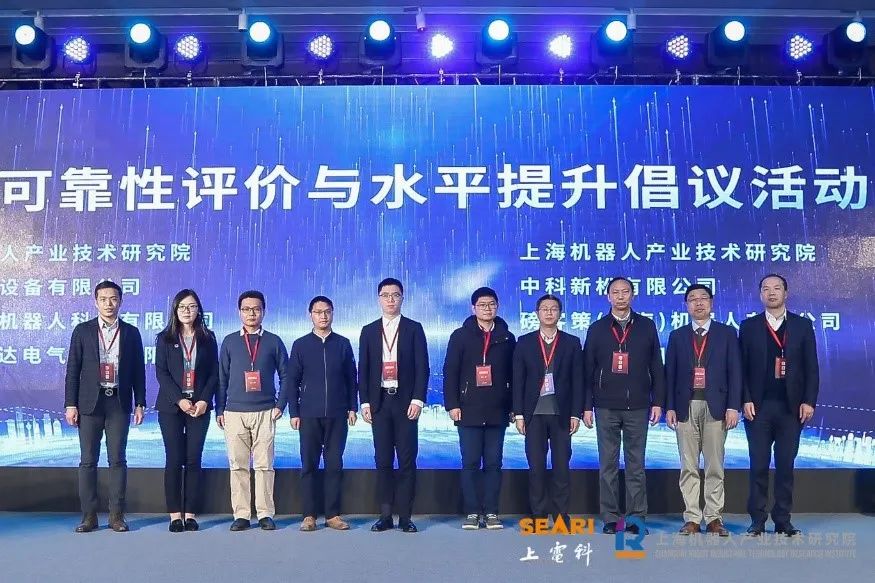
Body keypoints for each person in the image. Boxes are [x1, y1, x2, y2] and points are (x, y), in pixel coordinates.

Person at [583, 276, 664, 535]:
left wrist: (658, 401)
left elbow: (657, 366)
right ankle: (610, 517)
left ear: (632, 295)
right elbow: (587, 370)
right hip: (605, 406)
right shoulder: (597, 328)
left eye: (625, 292)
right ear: (608, 296)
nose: (620, 296)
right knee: (607, 464)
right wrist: (586, 406)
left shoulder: (646, 326)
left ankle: (636, 517)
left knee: (635, 465)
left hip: (638, 406)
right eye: (615, 292)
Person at [64, 280, 146, 533]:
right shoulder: (82, 331)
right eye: (103, 299)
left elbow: (139, 371)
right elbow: (73, 370)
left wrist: (140, 402)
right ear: (95, 302)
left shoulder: (131, 333)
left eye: (113, 299)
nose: (109, 304)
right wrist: (70, 404)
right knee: (88, 461)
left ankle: (116, 516)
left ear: (120, 301)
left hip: (119, 402)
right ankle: (88, 517)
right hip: (90, 403)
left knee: (117, 460)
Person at [741, 274, 819, 537]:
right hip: (758, 408)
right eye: (766, 289)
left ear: (786, 293)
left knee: (786, 465)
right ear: (760, 295)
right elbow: (741, 368)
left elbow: (811, 368)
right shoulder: (749, 326)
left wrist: (808, 401)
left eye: (777, 288)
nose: (771, 292)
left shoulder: (802, 325)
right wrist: (745, 399)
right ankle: (757, 520)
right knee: (758, 465)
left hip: (791, 409)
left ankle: (783, 519)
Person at [665, 284, 741, 537]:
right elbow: (669, 374)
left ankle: (714, 517)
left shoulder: (726, 333)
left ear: (711, 303)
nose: (698, 303)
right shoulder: (677, 336)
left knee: (714, 465)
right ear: (686, 305)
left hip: (716, 407)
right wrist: (669, 407)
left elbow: (735, 371)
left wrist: (733, 406)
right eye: (692, 299)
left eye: (703, 298)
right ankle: (692, 518)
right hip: (685, 407)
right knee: (688, 466)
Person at [359, 278, 430, 533]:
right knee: (383, 461)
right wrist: (365, 402)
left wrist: (418, 399)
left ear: (402, 298)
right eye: (386, 295)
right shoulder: (369, 330)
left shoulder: (414, 328)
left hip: (405, 402)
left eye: (395, 295)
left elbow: (423, 367)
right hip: (379, 403)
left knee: (407, 461)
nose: (390, 299)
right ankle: (386, 515)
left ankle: (406, 517)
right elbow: (363, 369)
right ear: (379, 298)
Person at [443, 287, 516, 530]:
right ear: (473, 308)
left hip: (498, 409)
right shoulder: (460, 336)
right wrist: (452, 404)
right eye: (482, 305)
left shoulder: (507, 337)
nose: (487, 308)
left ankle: (492, 512)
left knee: (494, 463)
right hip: (468, 409)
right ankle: (473, 512)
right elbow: (450, 371)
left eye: (492, 304)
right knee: (471, 463)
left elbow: (514, 375)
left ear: (497, 306)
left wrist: (513, 406)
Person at [283, 296, 358, 532]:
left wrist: (352, 407)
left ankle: (333, 515)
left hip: (338, 413)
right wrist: (294, 411)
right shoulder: (301, 345)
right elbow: (292, 381)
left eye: (327, 311)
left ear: (333, 313)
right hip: (308, 414)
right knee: (309, 465)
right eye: (318, 312)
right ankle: (309, 515)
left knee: (334, 465)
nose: (323, 316)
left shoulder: (343, 344)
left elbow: (351, 378)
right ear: (310, 315)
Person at [216, 290, 287, 532]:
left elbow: (286, 376)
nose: (251, 313)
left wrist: (280, 405)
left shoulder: (274, 341)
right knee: (238, 465)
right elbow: (222, 378)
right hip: (234, 412)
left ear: (263, 311)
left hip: (266, 410)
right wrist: (220, 408)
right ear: (239, 312)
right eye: (246, 309)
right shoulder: (229, 341)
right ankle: (242, 514)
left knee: (265, 465)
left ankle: (265, 513)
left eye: (256, 309)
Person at [512, 294, 582, 524]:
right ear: (537, 313)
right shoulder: (524, 342)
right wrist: (519, 414)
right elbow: (518, 380)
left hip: (562, 414)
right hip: (533, 414)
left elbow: (577, 380)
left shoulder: (571, 342)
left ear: (560, 313)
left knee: (561, 467)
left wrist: (576, 413)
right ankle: (538, 515)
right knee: (536, 467)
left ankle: (561, 514)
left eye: (554, 309)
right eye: (544, 309)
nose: (549, 312)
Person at [155, 289, 219, 533]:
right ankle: (174, 515)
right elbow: (161, 373)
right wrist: (179, 400)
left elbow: (214, 373)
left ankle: (190, 514)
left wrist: (204, 400)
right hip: (171, 407)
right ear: (175, 310)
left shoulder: (208, 338)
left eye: (192, 306)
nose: (187, 311)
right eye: (182, 307)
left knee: (193, 459)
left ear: (198, 310)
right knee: (174, 459)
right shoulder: (164, 338)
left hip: (199, 407)